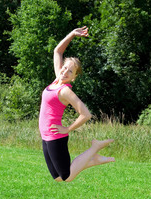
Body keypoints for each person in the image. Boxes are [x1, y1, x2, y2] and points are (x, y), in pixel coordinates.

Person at [39, 26, 114, 182]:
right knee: (58, 177)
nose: (65, 72)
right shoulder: (56, 80)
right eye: (65, 67)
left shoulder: (65, 91)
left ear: (73, 78)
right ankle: (94, 160)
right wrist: (72, 34)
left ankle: (95, 147)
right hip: (46, 135)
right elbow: (57, 51)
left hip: (55, 136)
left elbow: (86, 114)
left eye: (70, 72)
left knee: (66, 177)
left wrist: (67, 129)